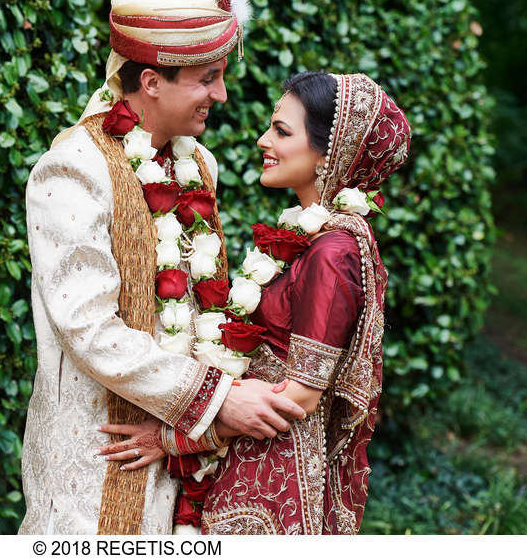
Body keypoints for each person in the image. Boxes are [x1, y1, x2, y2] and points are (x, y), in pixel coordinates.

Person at [19, 0, 306, 535]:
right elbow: (88, 329)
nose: (220, 96)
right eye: (207, 79)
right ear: (151, 81)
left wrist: (195, 427)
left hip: (179, 443)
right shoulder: (73, 169)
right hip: (99, 452)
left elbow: (202, 315)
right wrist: (216, 400)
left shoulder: (199, 165)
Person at [97, 70, 412, 534]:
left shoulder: (333, 252)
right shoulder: (310, 236)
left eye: (282, 131)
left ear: (333, 152)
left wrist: (172, 439)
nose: (264, 139)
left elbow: (297, 400)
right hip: (249, 457)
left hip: (271, 477)